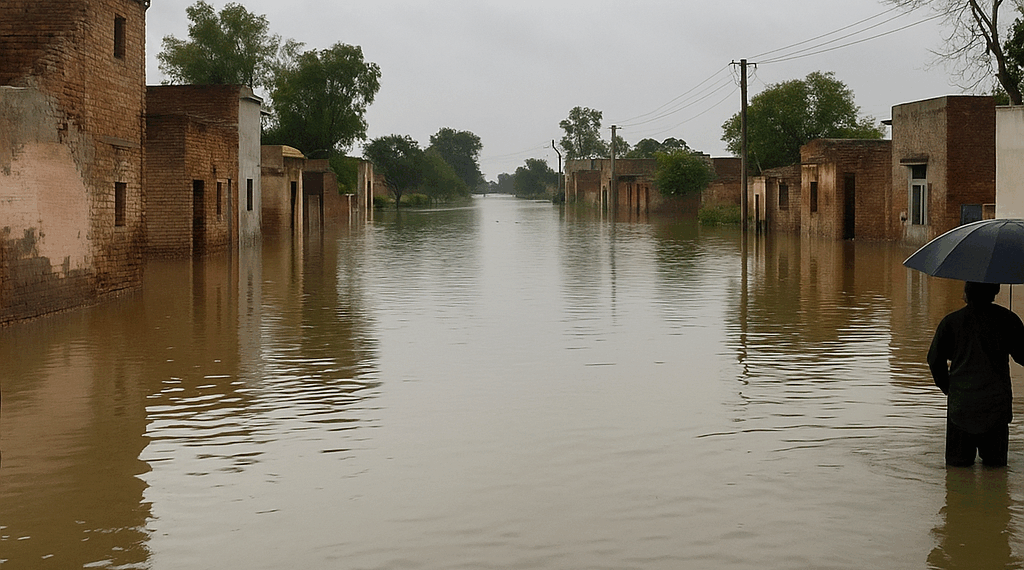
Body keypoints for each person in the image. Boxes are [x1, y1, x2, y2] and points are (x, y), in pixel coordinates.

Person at [928, 281, 1024, 467]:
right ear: (995, 291)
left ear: (967, 293)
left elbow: (934, 361)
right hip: (996, 408)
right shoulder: (1007, 319)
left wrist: (949, 388)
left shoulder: (951, 322)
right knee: (996, 471)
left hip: (961, 407)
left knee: (958, 471)